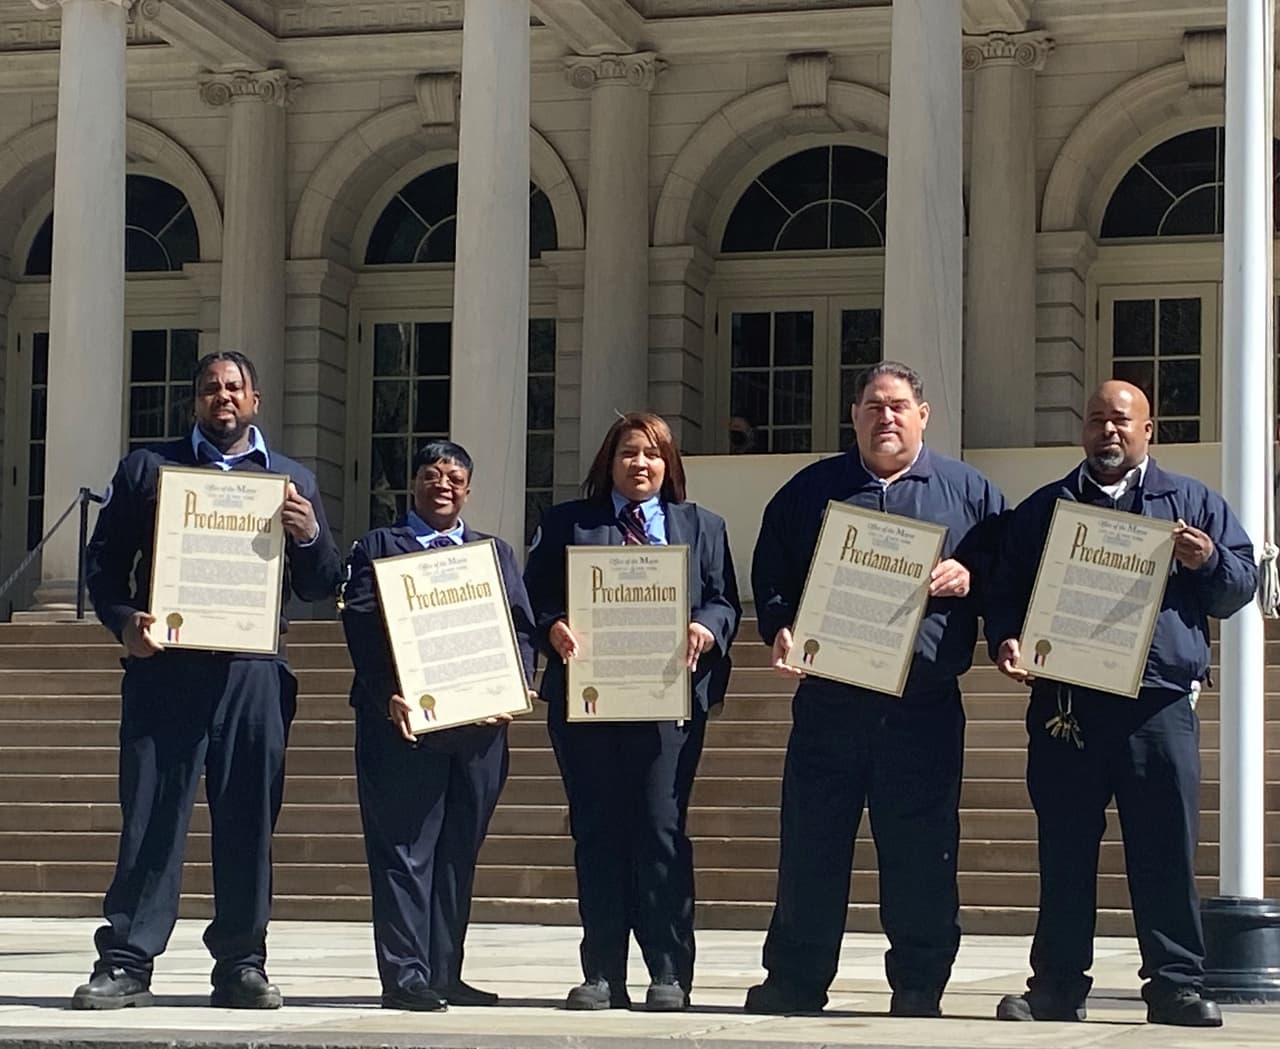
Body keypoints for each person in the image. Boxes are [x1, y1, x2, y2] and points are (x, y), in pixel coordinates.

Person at [75, 351, 344, 1010]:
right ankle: (127, 960)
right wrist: (123, 622)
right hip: (166, 668)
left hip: (253, 673)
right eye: (209, 389)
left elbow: (321, 582)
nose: (222, 398)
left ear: (254, 401)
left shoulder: (290, 478)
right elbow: (105, 565)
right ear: (194, 401)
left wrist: (308, 536)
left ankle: (242, 962)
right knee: (150, 817)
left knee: (248, 820)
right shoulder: (149, 469)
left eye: (233, 388)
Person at [985, 380, 1257, 1028]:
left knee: (1164, 850)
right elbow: (1005, 591)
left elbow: (1240, 584)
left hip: (1156, 708)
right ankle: (1055, 987)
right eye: (1098, 420)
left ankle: (1175, 987)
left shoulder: (1189, 504)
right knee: (1066, 851)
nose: (1109, 431)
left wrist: (1209, 559)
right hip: (1067, 706)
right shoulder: (1046, 509)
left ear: (1148, 430)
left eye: (1122, 421)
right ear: (1083, 429)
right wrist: (1007, 639)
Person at [747, 361, 1006, 1018]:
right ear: (854, 415)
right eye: (872, 406)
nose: (885, 417)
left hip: (921, 708)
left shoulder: (969, 494)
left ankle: (920, 983)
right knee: (812, 844)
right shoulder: (811, 492)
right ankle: (795, 980)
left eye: (897, 406)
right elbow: (774, 576)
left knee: (922, 851)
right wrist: (778, 629)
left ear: (923, 415)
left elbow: (1009, 575)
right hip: (831, 703)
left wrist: (969, 572)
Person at [523, 412, 741, 1012]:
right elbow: (533, 597)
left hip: (666, 707)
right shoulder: (569, 523)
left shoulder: (704, 527)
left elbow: (724, 598)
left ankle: (669, 972)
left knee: (660, 832)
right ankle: (602, 974)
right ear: (608, 462)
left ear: (669, 465)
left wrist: (707, 627)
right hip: (588, 705)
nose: (640, 464)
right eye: (628, 453)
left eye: (653, 454)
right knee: (597, 833)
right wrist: (553, 627)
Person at [340, 440, 536, 1012]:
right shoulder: (379, 547)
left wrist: (517, 681)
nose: (443, 484)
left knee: (457, 851)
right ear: (414, 484)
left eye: (454, 476)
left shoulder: (492, 553)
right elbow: (361, 628)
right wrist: (388, 696)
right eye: (431, 475)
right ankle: (405, 976)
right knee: (404, 850)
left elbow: (519, 626)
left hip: (479, 730)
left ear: (468, 489)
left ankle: (445, 970)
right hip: (404, 726)